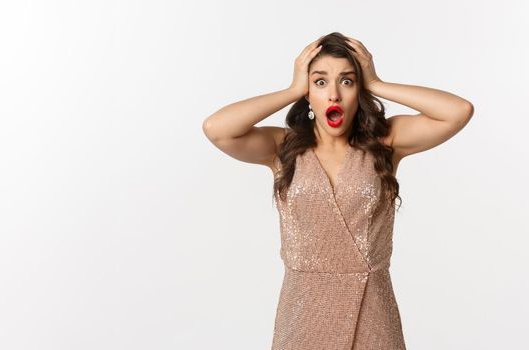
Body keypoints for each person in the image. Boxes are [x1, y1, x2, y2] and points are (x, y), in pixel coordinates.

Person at [201, 32, 474, 349]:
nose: (333, 94)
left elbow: (459, 111)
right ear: (308, 93)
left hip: (371, 310)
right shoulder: (282, 147)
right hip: (303, 314)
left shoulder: (385, 142)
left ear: (359, 90)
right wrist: (291, 89)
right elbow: (217, 129)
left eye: (346, 82)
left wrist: (376, 83)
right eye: (319, 82)